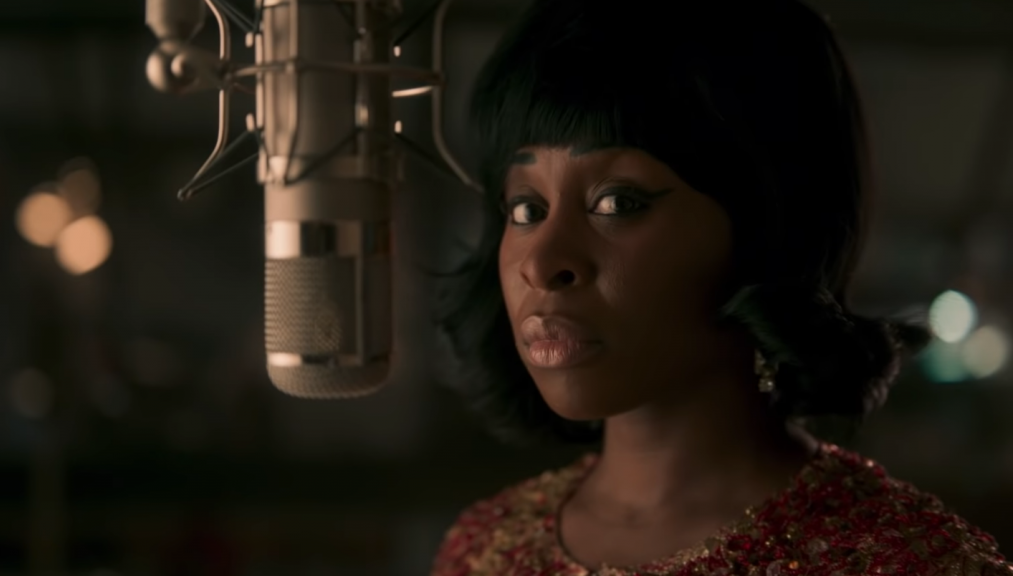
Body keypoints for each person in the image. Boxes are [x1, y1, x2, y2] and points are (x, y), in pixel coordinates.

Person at [428, 0, 1013, 574]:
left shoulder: (907, 562)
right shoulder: (481, 549)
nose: (541, 262)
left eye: (617, 203)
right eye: (526, 209)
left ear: (767, 225)